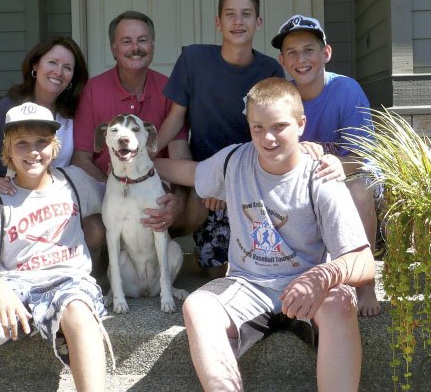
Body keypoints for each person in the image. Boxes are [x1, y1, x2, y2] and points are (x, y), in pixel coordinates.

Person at [154, 78, 376, 392]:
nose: (268, 138)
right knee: (199, 305)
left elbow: (363, 259)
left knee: (340, 301)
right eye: (257, 127)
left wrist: (323, 276)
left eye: (279, 126)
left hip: (309, 285)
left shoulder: (321, 175)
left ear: (301, 125)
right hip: (249, 285)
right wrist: (138, 165)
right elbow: (189, 172)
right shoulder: (234, 160)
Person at [158, 0, 341, 278]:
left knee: (262, 259)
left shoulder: (268, 69)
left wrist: (302, 146)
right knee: (216, 271)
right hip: (206, 172)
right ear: (218, 22)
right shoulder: (194, 60)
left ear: (258, 22)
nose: (238, 21)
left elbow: (278, 122)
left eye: (246, 15)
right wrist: (146, 154)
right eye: (230, 15)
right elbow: (175, 120)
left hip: (251, 174)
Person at [0, 103, 111, 392]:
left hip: (68, 283)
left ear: (54, 146)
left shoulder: (74, 181)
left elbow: (116, 202)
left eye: (42, 142)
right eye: (21, 144)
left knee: (78, 309)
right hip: (15, 290)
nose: (33, 151)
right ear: (7, 151)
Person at [271, 14, 380, 317]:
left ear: (326, 53)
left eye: (309, 50)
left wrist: (336, 163)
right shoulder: (283, 96)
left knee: (360, 188)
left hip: (348, 172)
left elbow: (363, 155)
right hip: (307, 179)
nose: (301, 59)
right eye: (292, 52)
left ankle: (365, 281)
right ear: (282, 60)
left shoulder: (346, 90)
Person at [0, 36, 106, 253]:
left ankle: (84, 278)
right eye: (52, 63)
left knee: (96, 230)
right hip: (21, 196)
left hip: (64, 197)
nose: (59, 72)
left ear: (73, 77)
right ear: (36, 65)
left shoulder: (77, 110)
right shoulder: (7, 109)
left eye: (67, 67)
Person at [72, 10, 190, 234]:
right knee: (93, 231)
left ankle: (165, 242)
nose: (135, 48)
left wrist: (176, 200)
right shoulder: (93, 90)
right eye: (126, 42)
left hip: (154, 188)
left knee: (195, 203)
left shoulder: (169, 89)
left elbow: (179, 155)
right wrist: (114, 189)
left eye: (142, 40)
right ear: (113, 49)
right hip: (107, 188)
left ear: (152, 46)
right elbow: (82, 159)